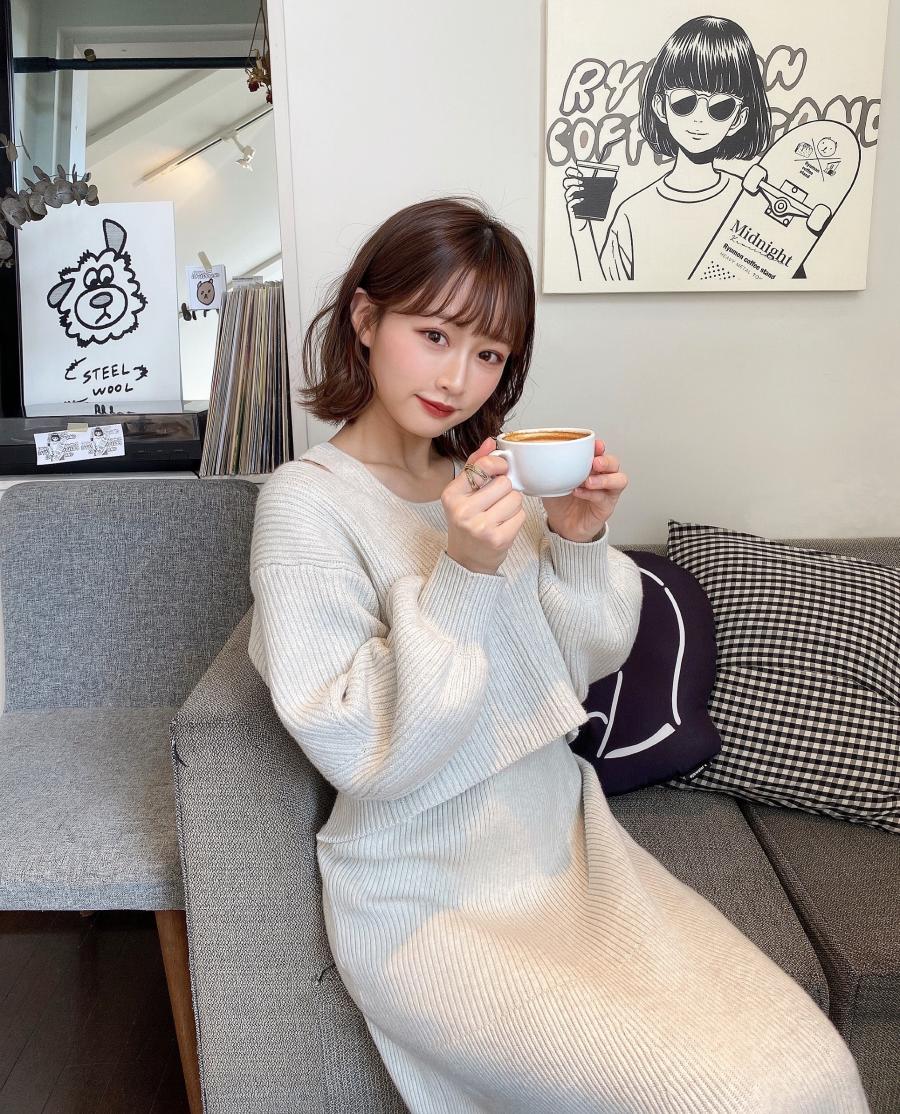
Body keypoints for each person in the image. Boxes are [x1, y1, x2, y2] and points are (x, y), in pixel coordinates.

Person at [247, 196, 869, 1112]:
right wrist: (462, 571)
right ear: (367, 319)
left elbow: (587, 660)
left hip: (566, 847)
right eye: (435, 334)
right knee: (723, 1096)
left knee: (813, 1068)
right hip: (426, 897)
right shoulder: (304, 505)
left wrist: (577, 539)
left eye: (489, 354)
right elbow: (361, 748)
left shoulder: (484, 480)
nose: (458, 378)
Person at [564, 16, 771, 284]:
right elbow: (603, 294)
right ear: (660, 107)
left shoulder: (751, 203)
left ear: (739, 119)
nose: (699, 119)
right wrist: (581, 230)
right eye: (684, 102)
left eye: (720, 107)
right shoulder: (634, 213)